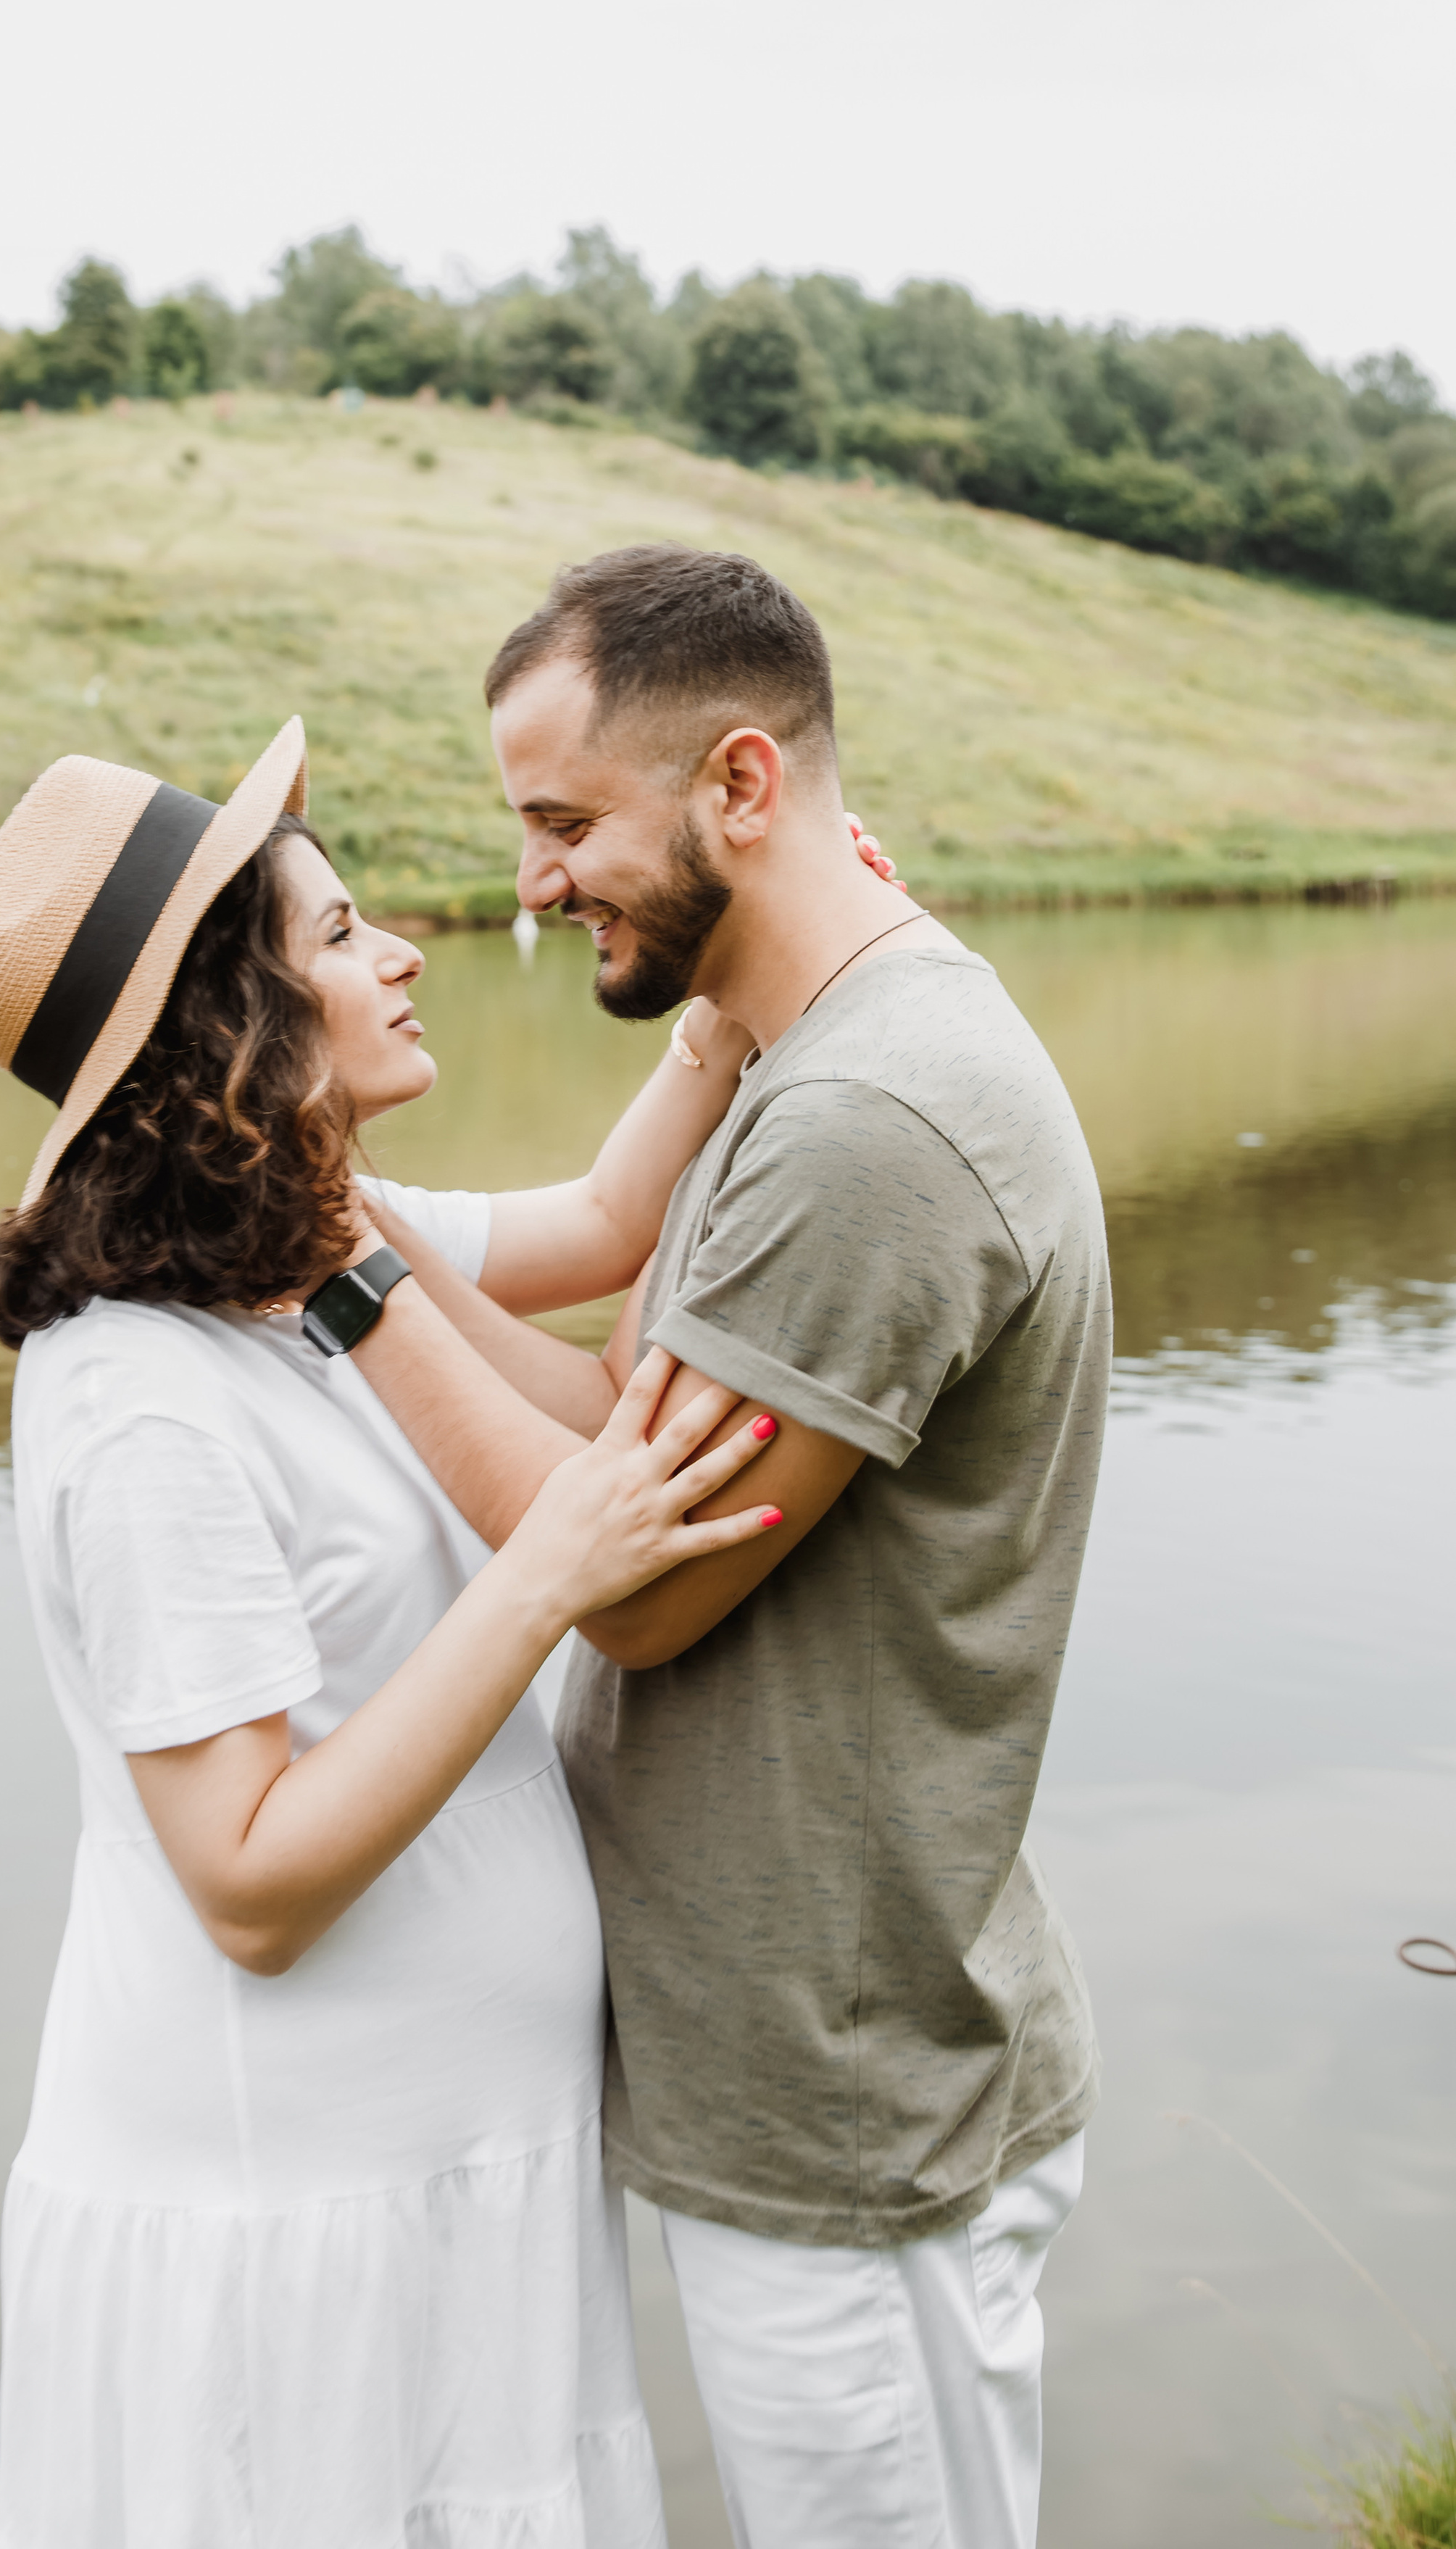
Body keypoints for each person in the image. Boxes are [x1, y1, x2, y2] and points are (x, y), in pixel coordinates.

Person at [0, 718, 804, 2549]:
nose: (400, 951)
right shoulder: (140, 1397)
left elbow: (603, 1223)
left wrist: (731, 1000)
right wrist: (542, 1578)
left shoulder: (312, 1242)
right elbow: (248, 1887)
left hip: (451, 2176)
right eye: (337, 936)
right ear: (230, 1030)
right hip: (288, 2223)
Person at [340, 546, 1110, 2549]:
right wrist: (324, 1202)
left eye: (564, 823)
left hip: (849, 2097)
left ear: (741, 785)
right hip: (793, 2054)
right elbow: (617, 1421)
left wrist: (333, 1274)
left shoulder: (872, 1124)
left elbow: (641, 1582)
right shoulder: (804, 1062)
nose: (533, 883)